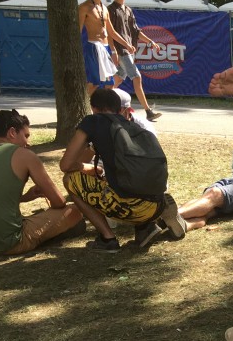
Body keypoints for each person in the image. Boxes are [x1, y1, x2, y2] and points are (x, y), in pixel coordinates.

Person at [60, 87, 186, 252]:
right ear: (119, 109)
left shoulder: (92, 122)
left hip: (129, 208)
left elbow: (66, 165)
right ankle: (144, 228)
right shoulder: (132, 126)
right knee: (117, 180)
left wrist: (83, 167)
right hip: (155, 205)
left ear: (93, 108)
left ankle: (108, 239)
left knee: (70, 179)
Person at [0, 109, 84, 255]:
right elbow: (59, 202)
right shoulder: (24, 155)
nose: (27, 142)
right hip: (9, 243)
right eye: (26, 136)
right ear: (12, 132)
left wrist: (26, 197)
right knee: (74, 211)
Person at [108, 0, 162, 121]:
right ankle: (148, 111)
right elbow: (109, 33)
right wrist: (113, 51)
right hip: (121, 51)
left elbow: (136, 31)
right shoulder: (111, 10)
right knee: (136, 77)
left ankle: (101, 105)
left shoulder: (128, 10)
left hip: (129, 51)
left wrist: (150, 42)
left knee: (117, 80)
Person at [78, 0, 131, 95]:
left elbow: (112, 32)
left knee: (110, 83)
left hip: (105, 48)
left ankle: (104, 106)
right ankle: (87, 105)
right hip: (93, 47)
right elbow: (78, 30)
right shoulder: (84, 7)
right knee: (94, 83)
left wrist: (126, 45)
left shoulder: (104, 8)